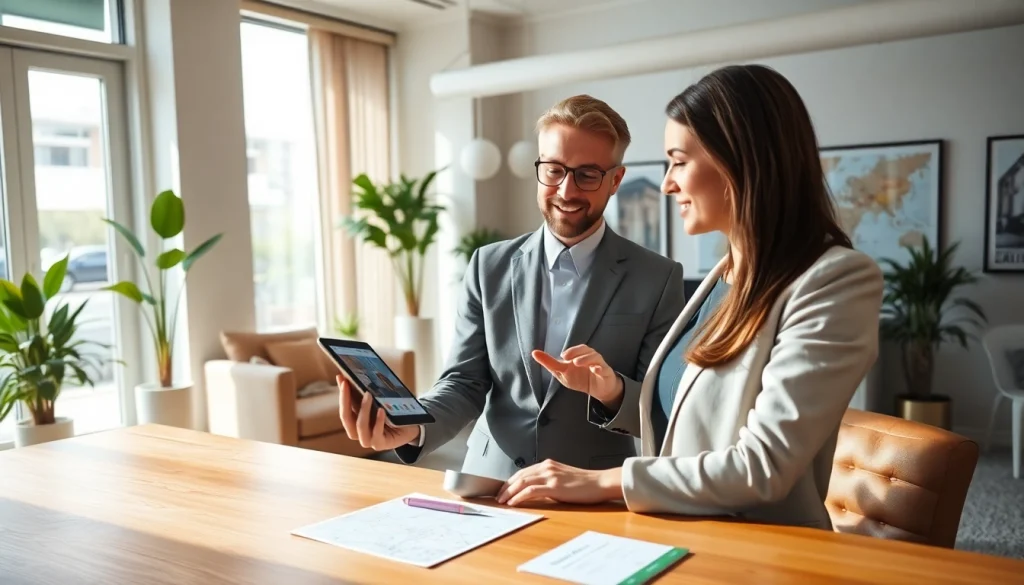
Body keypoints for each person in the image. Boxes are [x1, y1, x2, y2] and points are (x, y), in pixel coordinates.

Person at [494, 64, 884, 531]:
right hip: (680, 533)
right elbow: (689, 420)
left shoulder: (836, 279)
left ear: (739, 160)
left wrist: (602, 481)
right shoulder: (726, 275)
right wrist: (611, 389)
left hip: (758, 552)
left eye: (679, 161)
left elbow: (763, 467)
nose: (666, 183)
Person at [338, 95, 685, 480]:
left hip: (592, 487)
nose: (566, 191)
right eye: (554, 170)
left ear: (615, 180)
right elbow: (464, 382)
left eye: (587, 175)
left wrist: (612, 390)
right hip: (490, 481)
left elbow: (662, 406)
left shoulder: (657, 277)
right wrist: (414, 425)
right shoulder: (488, 265)